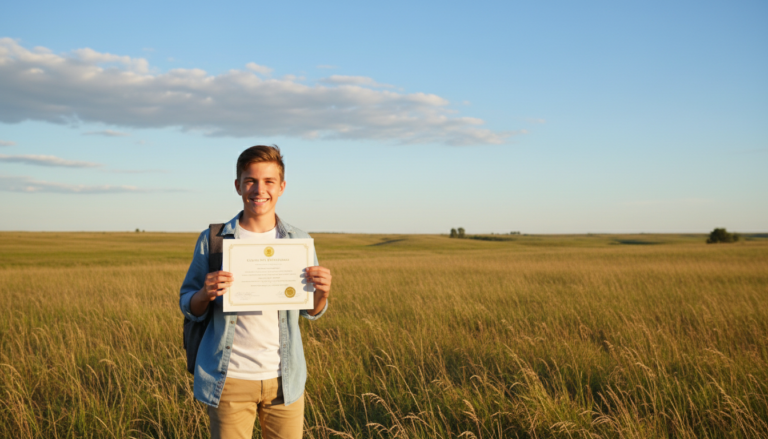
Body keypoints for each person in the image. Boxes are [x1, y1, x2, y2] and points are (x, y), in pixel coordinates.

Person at [179, 145, 332, 439]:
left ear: (282, 187)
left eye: (269, 181)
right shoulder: (213, 240)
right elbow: (188, 305)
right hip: (230, 378)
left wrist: (322, 293)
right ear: (238, 185)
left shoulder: (298, 241)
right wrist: (204, 294)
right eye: (250, 180)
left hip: (284, 380)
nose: (259, 189)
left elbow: (310, 311)